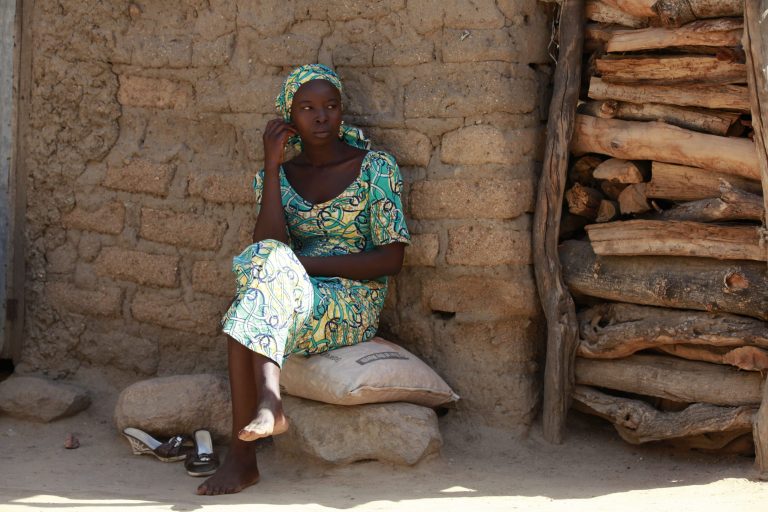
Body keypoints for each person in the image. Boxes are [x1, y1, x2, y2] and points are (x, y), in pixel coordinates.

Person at [197, 64, 411, 495]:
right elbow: (268, 244)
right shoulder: (276, 177)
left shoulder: (376, 168)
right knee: (253, 293)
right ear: (288, 118)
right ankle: (267, 410)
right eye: (307, 107)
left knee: (256, 291)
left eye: (330, 106)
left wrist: (300, 267)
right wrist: (272, 167)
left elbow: (391, 259)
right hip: (287, 291)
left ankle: (246, 451)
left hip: (351, 298)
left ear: (341, 113)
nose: (320, 117)